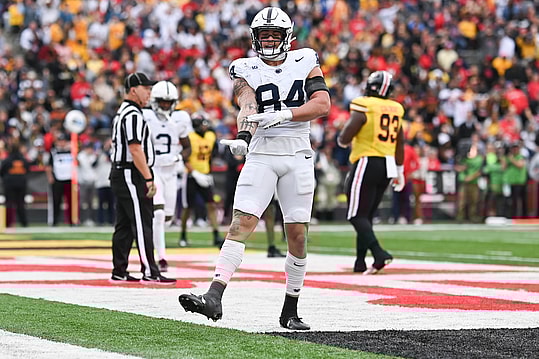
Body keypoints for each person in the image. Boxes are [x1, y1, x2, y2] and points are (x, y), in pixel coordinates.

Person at [178, 7, 331, 331]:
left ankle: (290, 309)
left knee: (297, 236)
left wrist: (286, 115)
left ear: (287, 37)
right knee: (241, 222)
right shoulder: (244, 67)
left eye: (275, 35)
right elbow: (247, 104)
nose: (270, 40)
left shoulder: (305, 60)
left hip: (297, 153)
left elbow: (322, 104)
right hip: (261, 152)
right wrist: (244, 136)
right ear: (255, 38)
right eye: (265, 35)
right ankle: (214, 296)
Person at [109, 72, 176, 284]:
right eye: (146, 89)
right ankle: (150, 271)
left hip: (122, 171)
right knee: (142, 221)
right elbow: (136, 149)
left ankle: (119, 270)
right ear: (133, 89)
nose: (149, 93)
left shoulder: (125, 112)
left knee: (125, 224)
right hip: (131, 172)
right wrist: (148, 178)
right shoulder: (133, 114)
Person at [337, 70, 405, 275]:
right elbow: (399, 142)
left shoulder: (364, 104)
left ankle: (378, 253)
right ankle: (360, 261)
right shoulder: (396, 108)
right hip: (388, 164)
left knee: (355, 215)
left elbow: (345, 136)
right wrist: (400, 170)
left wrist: (343, 139)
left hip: (367, 160)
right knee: (365, 215)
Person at [143, 80, 192, 272]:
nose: (164, 105)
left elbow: (188, 146)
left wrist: (178, 156)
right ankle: (161, 257)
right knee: (159, 212)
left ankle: (155, 241)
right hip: (153, 168)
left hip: (171, 171)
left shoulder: (180, 118)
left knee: (168, 217)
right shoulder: (145, 116)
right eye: (161, 101)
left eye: (167, 102)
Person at [178, 112, 223, 248]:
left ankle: (216, 234)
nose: (204, 127)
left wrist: (208, 173)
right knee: (188, 207)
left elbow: (212, 155)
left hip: (205, 174)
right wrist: (195, 173)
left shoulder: (210, 136)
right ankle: (183, 235)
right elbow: (184, 157)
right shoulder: (190, 137)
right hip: (192, 176)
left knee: (211, 204)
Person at [45, 132, 75, 226]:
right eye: (60, 141)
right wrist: (50, 177)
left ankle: (72, 221)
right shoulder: (53, 152)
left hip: (69, 179)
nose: (62, 143)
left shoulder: (72, 151)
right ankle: (54, 221)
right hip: (57, 179)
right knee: (56, 202)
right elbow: (48, 166)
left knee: (71, 202)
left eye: (63, 141)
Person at [0, 142, 30, 227]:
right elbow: (27, 169)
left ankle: (8, 222)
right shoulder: (23, 159)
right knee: (20, 204)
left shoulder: (7, 160)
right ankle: (24, 223)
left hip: (9, 184)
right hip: (21, 184)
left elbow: (2, 171)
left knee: (9, 203)